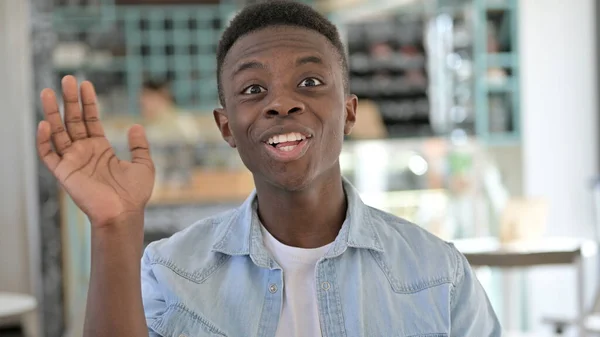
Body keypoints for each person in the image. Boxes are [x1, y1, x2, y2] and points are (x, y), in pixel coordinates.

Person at [35, 1, 501, 337]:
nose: (281, 102)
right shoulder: (171, 272)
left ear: (350, 112)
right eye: (253, 89)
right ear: (227, 127)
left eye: (311, 81)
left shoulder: (439, 274)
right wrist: (114, 227)